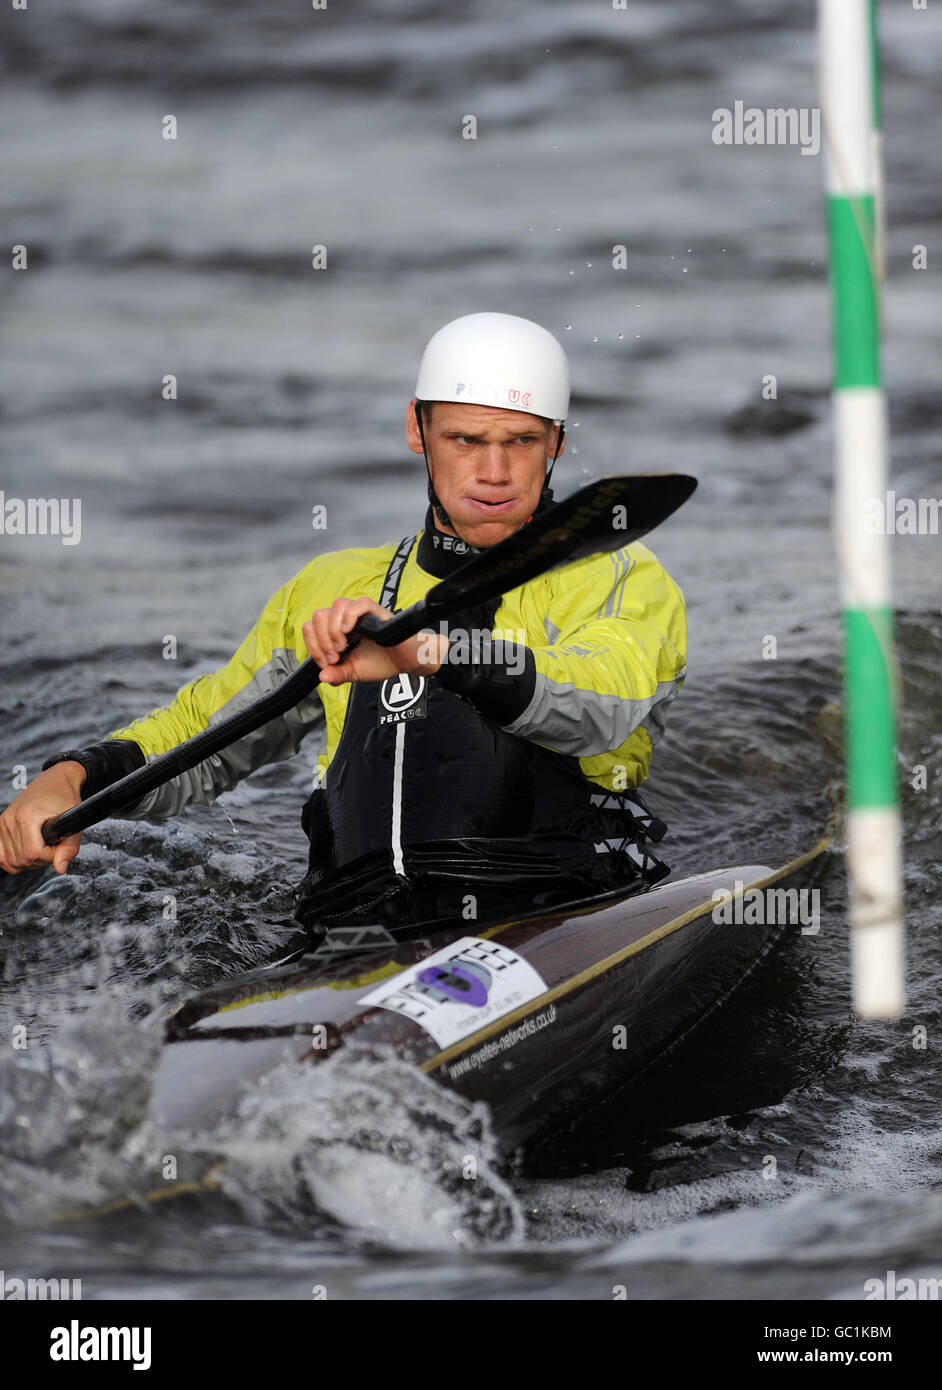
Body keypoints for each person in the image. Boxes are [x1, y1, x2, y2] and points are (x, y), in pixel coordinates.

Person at [0, 313, 687, 936]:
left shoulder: (616, 572)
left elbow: (600, 705)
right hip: (349, 925)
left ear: (557, 443)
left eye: (521, 442)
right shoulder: (333, 587)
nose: (494, 472)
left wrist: (427, 653)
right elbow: (207, 732)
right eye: (466, 440)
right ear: (417, 430)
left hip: (559, 907)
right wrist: (71, 777)